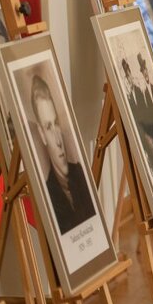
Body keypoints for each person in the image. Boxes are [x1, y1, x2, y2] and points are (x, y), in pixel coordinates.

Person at [31, 75, 96, 234]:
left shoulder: (80, 173)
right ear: (41, 134)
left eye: (56, 124)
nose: (58, 141)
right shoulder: (47, 193)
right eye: (48, 127)